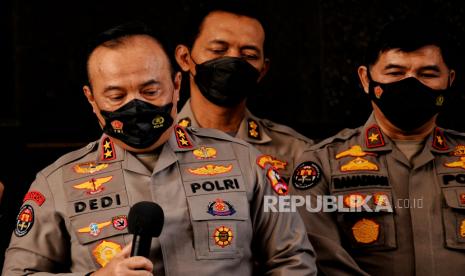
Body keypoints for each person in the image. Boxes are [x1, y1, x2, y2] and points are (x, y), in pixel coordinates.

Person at [2, 22, 317, 275]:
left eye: (150, 90)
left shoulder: (248, 162)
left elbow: (293, 259)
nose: (135, 104)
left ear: (176, 85)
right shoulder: (55, 183)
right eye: (116, 95)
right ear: (92, 99)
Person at [291, 18, 465, 276]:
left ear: (449, 80)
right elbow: (322, 260)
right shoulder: (321, 163)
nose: (410, 84)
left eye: (427, 74)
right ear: (365, 79)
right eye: (395, 73)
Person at [174, 1, 313, 184]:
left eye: (249, 55)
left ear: (262, 70)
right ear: (185, 58)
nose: (233, 61)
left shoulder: (297, 153)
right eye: (218, 50)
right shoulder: (157, 144)